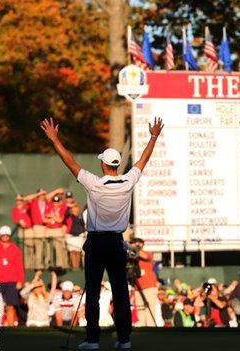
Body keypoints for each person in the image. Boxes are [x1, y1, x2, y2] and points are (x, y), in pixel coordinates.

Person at [41, 116, 164, 350]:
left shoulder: (95, 183)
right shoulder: (128, 181)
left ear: (103, 165)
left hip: (97, 243)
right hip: (117, 243)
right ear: (116, 164)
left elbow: (70, 161)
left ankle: (93, 340)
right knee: (119, 292)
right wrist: (154, 136)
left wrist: (55, 139)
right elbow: (143, 160)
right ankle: (125, 340)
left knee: (94, 291)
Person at [0, 226, 25, 326]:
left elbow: (19, 266)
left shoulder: (15, 249)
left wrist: (20, 281)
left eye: (7, 235)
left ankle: (10, 327)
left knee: (10, 306)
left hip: (11, 281)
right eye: (3, 235)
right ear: (0, 235)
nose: (5, 236)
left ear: (9, 236)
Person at [130, 238, 161, 327]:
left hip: (149, 287)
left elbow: (145, 256)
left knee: (150, 310)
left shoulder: (147, 253)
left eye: (139, 243)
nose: (136, 244)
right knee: (140, 310)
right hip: (137, 287)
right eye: (135, 243)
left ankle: (151, 332)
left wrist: (133, 248)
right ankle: (142, 330)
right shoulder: (132, 257)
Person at [10, 193, 38, 269]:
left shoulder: (27, 206)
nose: (18, 201)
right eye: (17, 200)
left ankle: (33, 264)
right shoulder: (14, 210)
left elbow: (32, 198)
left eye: (20, 200)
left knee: (31, 247)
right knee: (24, 249)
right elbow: (14, 219)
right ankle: (27, 265)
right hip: (21, 230)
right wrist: (19, 222)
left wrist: (24, 198)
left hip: (29, 230)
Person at [45, 195, 68, 268]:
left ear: (59, 203)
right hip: (49, 229)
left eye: (57, 202)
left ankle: (60, 265)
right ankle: (48, 264)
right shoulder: (49, 208)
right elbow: (44, 219)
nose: (55, 204)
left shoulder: (62, 209)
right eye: (54, 202)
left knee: (59, 248)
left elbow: (60, 220)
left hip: (57, 229)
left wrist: (51, 216)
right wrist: (54, 218)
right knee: (48, 248)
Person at [65, 204, 86, 269]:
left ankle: (77, 266)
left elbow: (83, 225)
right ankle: (74, 266)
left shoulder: (81, 217)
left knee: (78, 252)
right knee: (72, 252)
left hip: (79, 237)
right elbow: (65, 213)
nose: (75, 210)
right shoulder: (69, 216)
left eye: (77, 208)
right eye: (74, 208)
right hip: (71, 237)